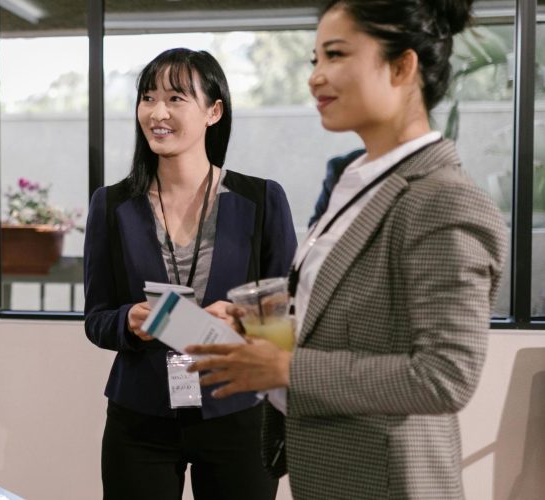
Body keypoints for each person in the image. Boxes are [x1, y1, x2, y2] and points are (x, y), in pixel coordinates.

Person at [187, 1, 506, 499]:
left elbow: (445, 376)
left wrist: (286, 369)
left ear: (402, 66)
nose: (316, 77)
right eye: (314, 59)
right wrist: (262, 328)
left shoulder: (443, 198)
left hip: (391, 481)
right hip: (332, 473)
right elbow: (352, 317)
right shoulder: (356, 182)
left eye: (335, 55)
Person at [83, 48, 297, 500]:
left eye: (176, 98)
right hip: (140, 418)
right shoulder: (111, 204)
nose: (157, 112)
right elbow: (96, 317)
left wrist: (242, 317)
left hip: (238, 412)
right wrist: (129, 321)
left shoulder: (262, 200)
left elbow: (288, 317)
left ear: (213, 111)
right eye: (147, 97)